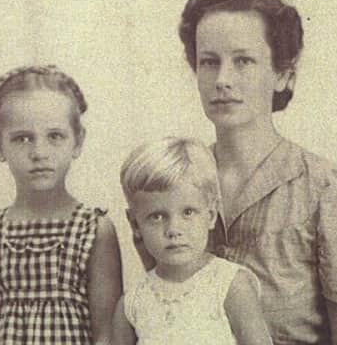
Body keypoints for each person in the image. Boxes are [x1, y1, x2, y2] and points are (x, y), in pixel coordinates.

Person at [129, 0, 337, 345]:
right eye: (209, 62)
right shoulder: (174, 184)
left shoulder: (331, 189)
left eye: (243, 61)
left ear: (283, 75)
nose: (222, 80)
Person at [0, 65, 123, 345]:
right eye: (23, 138)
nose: (39, 153)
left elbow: (107, 335)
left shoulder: (93, 231)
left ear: (78, 141)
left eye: (55, 136)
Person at [114, 137, 271, 345]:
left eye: (188, 212)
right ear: (135, 224)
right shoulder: (132, 304)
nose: (173, 230)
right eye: (157, 216)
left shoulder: (230, 286)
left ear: (211, 215)